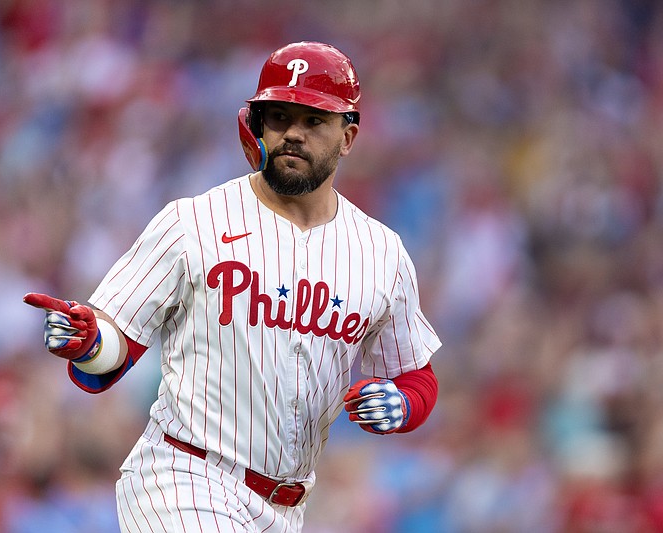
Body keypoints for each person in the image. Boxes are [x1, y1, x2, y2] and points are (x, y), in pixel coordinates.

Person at [24, 41, 441, 533]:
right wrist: (88, 340)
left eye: (313, 121)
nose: (293, 134)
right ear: (257, 123)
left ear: (347, 136)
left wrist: (403, 405)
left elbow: (416, 375)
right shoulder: (193, 222)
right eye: (280, 116)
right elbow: (118, 343)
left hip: (287, 505)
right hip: (183, 477)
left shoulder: (381, 253)